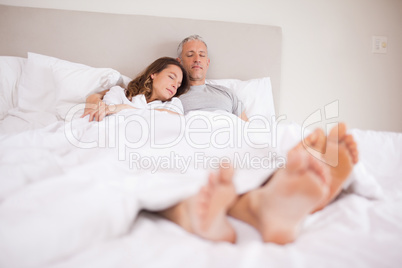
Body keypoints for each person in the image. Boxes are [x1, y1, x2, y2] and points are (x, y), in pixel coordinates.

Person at [82, 36, 359, 245]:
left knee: (257, 148)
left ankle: (275, 188)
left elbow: (249, 128)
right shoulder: (172, 95)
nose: (197, 58)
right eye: (190, 54)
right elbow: (117, 99)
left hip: (227, 131)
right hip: (188, 133)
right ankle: (263, 204)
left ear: (208, 61)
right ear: (179, 62)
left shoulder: (227, 94)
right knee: (182, 159)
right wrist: (97, 102)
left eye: (202, 54)